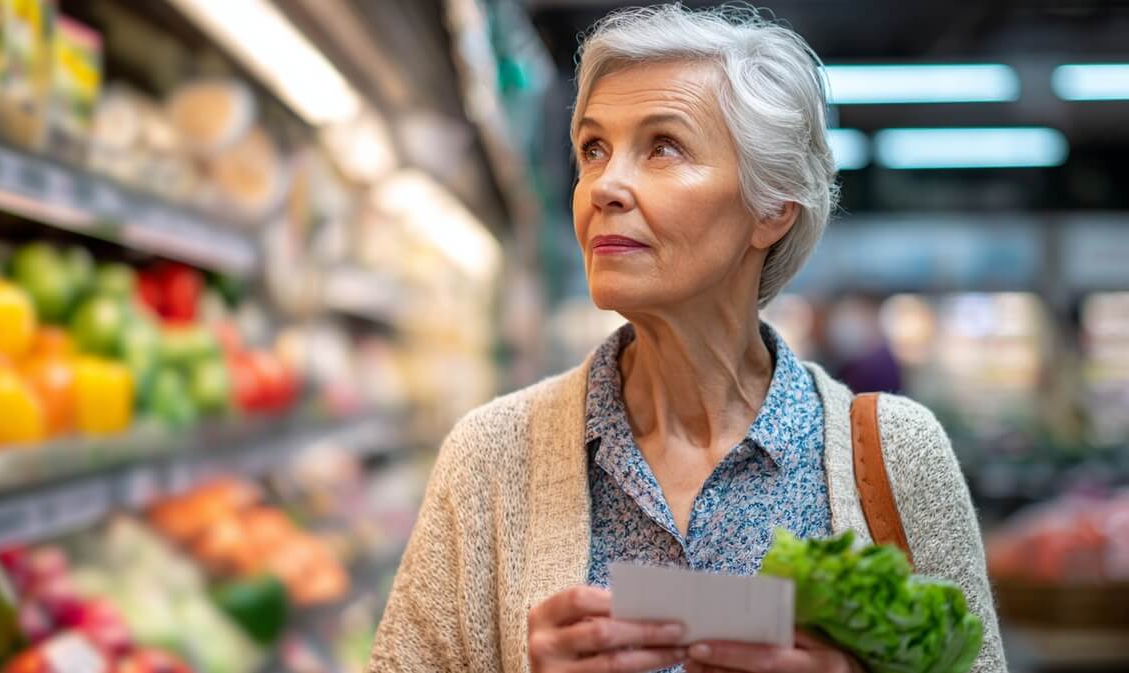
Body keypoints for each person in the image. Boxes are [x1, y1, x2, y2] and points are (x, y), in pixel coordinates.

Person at [367, 4, 1006, 673]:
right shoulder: (490, 459)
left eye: (663, 146)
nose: (605, 186)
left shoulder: (898, 455)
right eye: (593, 148)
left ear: (771, 207)